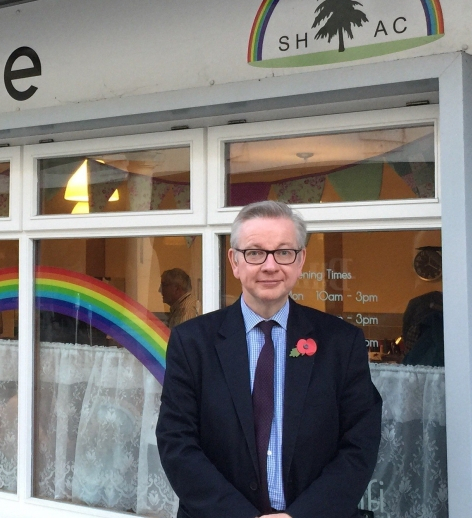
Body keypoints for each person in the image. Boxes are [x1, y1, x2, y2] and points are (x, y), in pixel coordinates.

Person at [156, 201, 382, 518]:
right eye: (255, 252)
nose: (270, 265)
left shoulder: (341, 343)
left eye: (283, 252)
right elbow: (176, 442)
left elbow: (360, 443)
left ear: (301, 259)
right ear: (234, 261)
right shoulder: (192, 342)